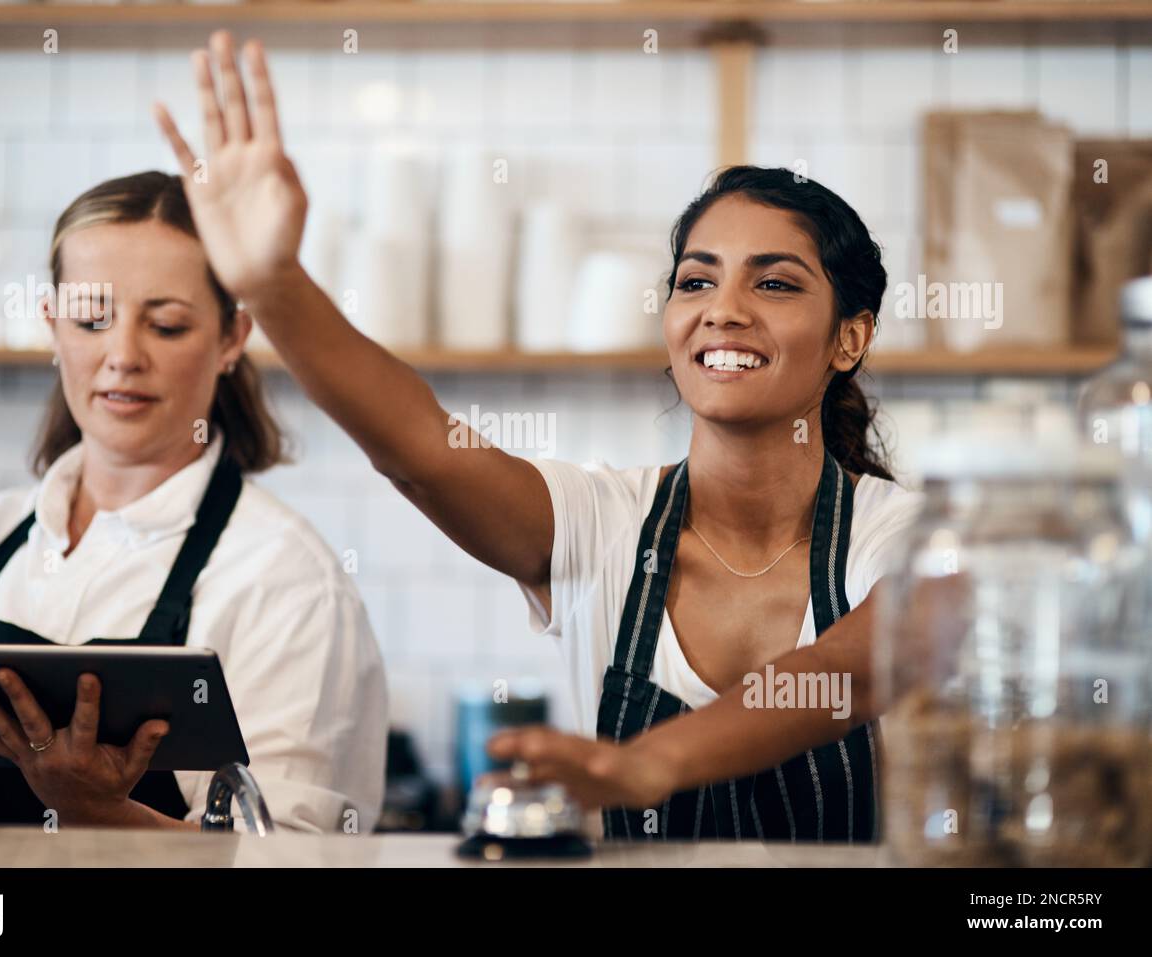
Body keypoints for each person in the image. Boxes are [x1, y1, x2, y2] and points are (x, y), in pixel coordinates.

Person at [153, 31, 923, 840]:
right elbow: (418, 449)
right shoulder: (604, 522)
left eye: (774, 282)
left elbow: (848, 672)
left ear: (850, 337)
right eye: (696, 279)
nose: (722, 309)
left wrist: (650, 762)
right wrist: (274, 284)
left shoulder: (907, 537)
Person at [0, 170, 388, 832]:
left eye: (165, 325)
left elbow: (289, 858)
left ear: (230, 339)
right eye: (91, 318)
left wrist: (95, 810)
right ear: (53, 325)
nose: (122, 354)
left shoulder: (285, 579)